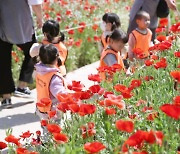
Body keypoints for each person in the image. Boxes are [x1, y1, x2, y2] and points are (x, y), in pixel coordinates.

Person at [0, 0, 43, 108]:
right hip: (20, 22)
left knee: (3, 59)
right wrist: (40, 18)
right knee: (34, 51)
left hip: (2, 22)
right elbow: (35, 2)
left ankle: (6, 97)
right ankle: (22, 85)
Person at [35, 44, 67, 120]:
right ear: (57, 58)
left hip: (41, 108)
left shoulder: (39, 71)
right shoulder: (54, 77)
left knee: (45, 129)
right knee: (55, 130)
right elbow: (60, 94)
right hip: (52, 111)